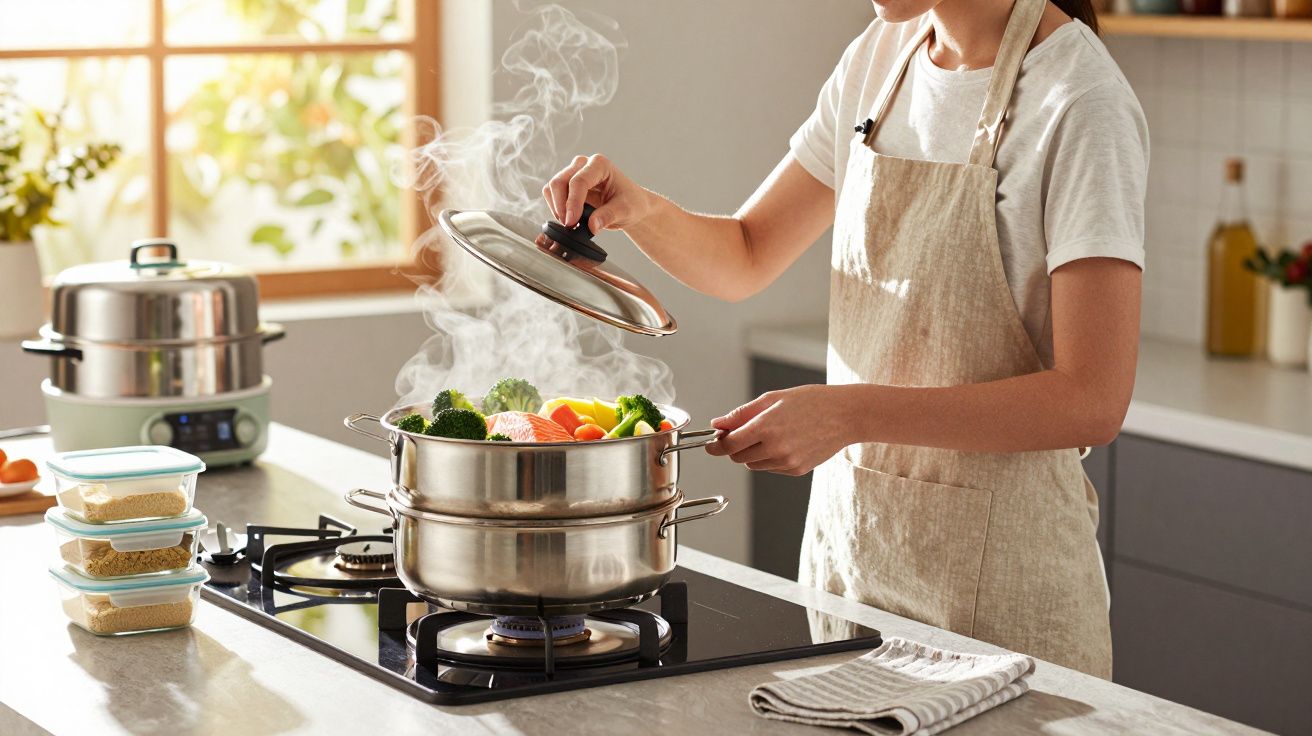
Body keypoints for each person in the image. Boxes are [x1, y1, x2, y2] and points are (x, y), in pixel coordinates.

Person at [541, 0, 1146, 678]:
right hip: (855, 572)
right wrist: (641, 209)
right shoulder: (880, 58)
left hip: (1006, 608)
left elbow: (1091, 400)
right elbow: (747, 252)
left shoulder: (1081, 100)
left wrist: (849, 414)